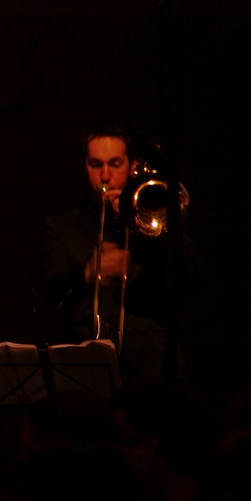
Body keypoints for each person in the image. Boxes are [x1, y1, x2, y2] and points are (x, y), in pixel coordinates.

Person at [42, 124, 201, 383]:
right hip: (86, 367)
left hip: (151, 368)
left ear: (132, 166)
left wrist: (142, 231)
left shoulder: (156, 216)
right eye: (96, 164)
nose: (105, 175)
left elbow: (193, 277)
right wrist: (87, 273)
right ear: (85, 166)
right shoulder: (62, 226)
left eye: (115, 164)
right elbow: (51, 293)